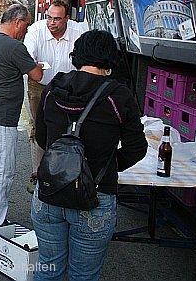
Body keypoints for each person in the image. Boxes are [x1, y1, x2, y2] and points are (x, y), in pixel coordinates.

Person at [31, 29, 147, 281]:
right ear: (110, 58)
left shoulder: (53, 88)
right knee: (84, 275)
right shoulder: (119, 96)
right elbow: (137, 149)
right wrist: (106, 165)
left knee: (48, 267)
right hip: (95, 195)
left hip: (50, 192)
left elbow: (41, 138)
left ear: (78, 54)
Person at [0, 4, 43, 241]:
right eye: (27, 24)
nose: (27, 29)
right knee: (1, 173)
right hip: (0, 117)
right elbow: (37, 76)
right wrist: (34, 64)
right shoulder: (15, 47)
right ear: (18, 22)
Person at [23, 0, 87, 193]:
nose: (52, 22)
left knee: (72, 128)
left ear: (67, 19)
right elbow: (26, 54)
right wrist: (33, 65)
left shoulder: (79, 32)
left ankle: (70, 172)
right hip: (40, 85)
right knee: (39, 128)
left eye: (57, 19)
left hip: (70, 87)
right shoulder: (36, 30)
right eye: (49, 17)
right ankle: (37, 173)